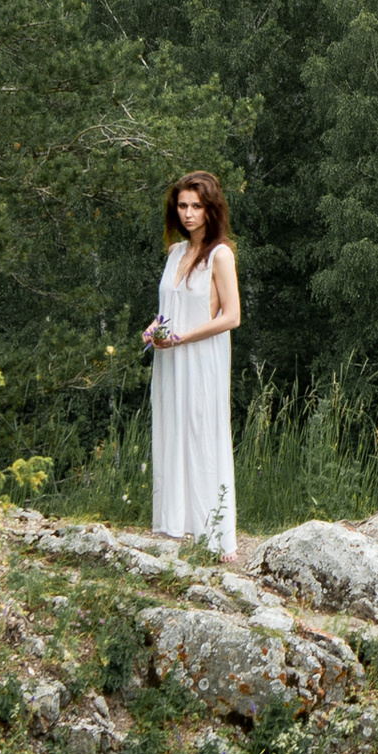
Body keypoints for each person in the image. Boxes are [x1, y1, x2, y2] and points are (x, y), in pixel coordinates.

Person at [144, 169, 241, 552]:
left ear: (210, 209)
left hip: (201, 360)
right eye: (183, 206)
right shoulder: (175, 254)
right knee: (172, 433)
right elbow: (168, 308)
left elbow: (231, 317)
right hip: (169, 362)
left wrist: (182, 337)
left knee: (203, 438)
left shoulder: (220, 255)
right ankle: (175, 524)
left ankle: (216, 536)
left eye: (196, 206)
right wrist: (153, 329)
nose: (188, 214)